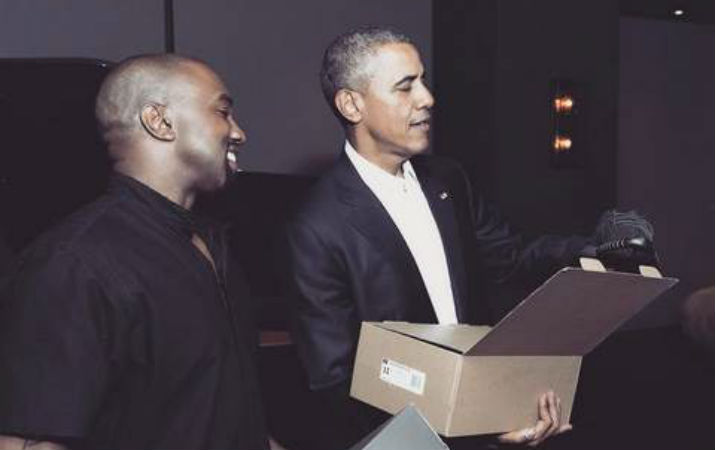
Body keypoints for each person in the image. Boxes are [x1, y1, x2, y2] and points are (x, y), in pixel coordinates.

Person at [285, 27, 591, 449]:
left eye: (423, 81)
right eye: (405, 86)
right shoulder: (316, 226)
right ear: (352, 104)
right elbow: (335, 379)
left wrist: (594, 249)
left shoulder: (448, 180)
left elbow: (511, 257)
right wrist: (462, 420)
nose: (427, 98)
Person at [0, 55, 269, 450]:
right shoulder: (74, 264)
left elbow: (215, 417)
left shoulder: (212, 245)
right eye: (223, 112)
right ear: (159, 121)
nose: (239, 132)